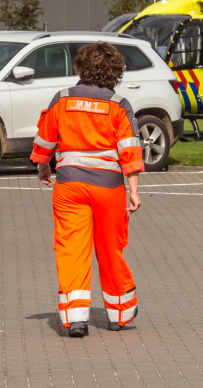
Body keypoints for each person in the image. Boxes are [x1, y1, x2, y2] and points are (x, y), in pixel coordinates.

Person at [31, 43, 144, 337]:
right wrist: (133, 189)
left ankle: (75, 318)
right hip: (108, 190)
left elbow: (45, 139)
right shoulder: (119, 104)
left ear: (81, 67)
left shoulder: (62, 99)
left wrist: (43, 167)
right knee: (110, 249)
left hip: (69, 187)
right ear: (114, 71)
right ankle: (119, 313)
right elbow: (129, 149)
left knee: (71, 250)